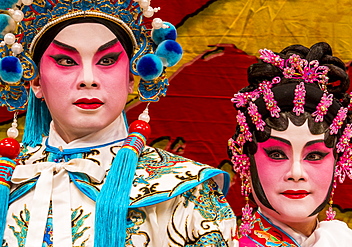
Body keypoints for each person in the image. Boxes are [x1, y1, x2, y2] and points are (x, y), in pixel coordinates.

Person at [0, 0, 237, 246]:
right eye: (67, 61)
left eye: (107, 60)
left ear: (131, 79)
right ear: (36, 82)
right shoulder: (8, 178)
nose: (88, 80)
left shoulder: (186, 190)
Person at [228, 42, 352, 246]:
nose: (296, 173)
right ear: (244, 161)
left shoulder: (343, 241)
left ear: (338, 163)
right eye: (276, 154)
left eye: (314, 156)